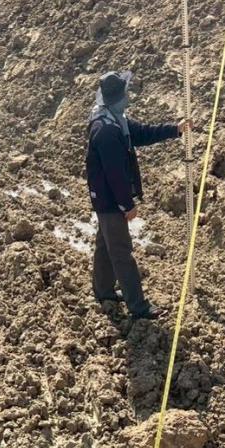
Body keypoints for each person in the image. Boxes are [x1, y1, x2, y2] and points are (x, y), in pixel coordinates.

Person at [85, 70, 187, 320]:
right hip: (110, 201)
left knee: (105, 244)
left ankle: (103, 290)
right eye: (125, 94)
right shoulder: (106, 131)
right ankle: (138, 307)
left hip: (105, 198)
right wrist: (127, 204)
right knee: (121, 251)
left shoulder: (114, 120)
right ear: (116, 98)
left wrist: (175, 129)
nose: (128, 97)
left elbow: (142, 132)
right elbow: (115, 175)